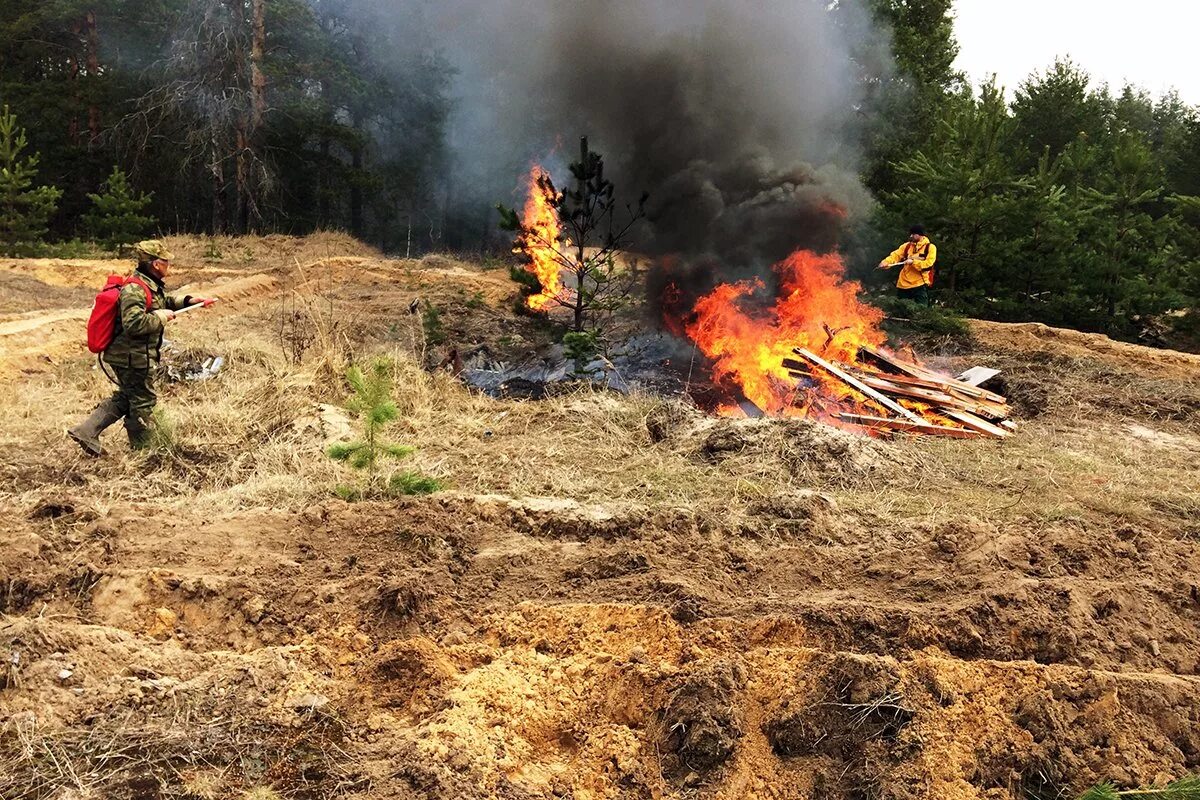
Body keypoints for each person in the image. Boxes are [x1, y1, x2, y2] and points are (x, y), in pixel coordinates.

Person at [68, 240, 214, 455]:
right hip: (132, 357)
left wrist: (190, 300)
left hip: (132, 355)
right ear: (156, 264)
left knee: (128, 396)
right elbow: (134, 324)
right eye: (166, 262)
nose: (168, 266)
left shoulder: (148, 284)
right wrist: (159, 318)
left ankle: (87, 430)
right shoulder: (135, 289)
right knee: (142, 403)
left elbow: (164, 302)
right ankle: (143, 451)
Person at [878, 225, 937, 306]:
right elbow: (895, 256)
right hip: (903, 285)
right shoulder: (906, 246)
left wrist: (913, 262)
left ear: (920, 235)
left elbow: (928, 265)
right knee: (900, 311)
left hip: (919, 285)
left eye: (913, 234)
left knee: (921, 311)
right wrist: (885, 262)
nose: (911, 236)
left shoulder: (930, 248)